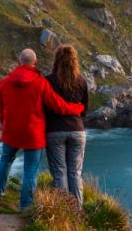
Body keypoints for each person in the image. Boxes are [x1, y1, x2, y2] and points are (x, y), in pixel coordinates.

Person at [0, 49, 85, 211]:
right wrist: (78, 107)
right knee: (30, 169)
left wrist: (7, 125)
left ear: (19, 62)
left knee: (5, 159)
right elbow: (58, 106)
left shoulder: (5, 83)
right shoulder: (40, 83)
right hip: (34, 134)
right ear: (35, 63)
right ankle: (26, 206)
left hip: (12, 131)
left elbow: (1, 110)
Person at [45, 45, 89, 207]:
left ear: (57, 60)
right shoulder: (82, 81)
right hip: (77, 130)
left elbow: (44, 107)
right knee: (75, 173)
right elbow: (85, 109)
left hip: (55, 131)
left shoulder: (48, 81)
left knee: (59, 173)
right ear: (74, 61)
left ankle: (63, 211)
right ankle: (77, 211)